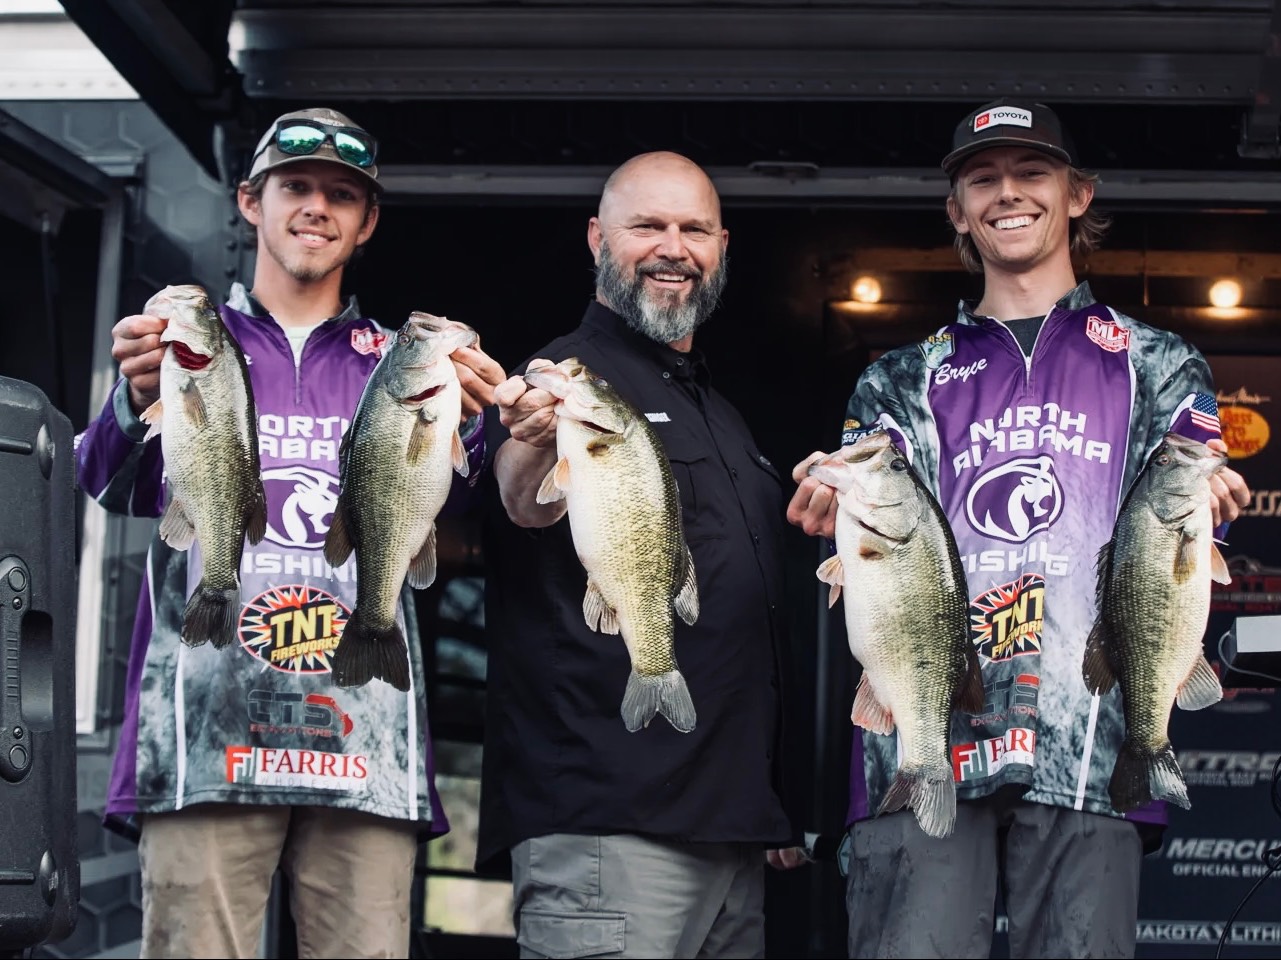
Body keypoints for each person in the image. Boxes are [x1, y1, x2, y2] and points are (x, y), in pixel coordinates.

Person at [787, 99, 1252, 959]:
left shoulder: (1159, 363)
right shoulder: (896, 380)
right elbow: (863, 526)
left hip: (1093, 735)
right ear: (956, 210)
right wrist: (829, 495)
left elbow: (1187, 512)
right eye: (981, 178)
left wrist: (1209, 498)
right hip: (923, 740)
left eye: (1031, 172)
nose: (1008, 193)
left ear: (1077, 194)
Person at [75, 107, 506, 958]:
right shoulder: (184, 342)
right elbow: (104, 483)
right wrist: (131, 401)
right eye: (295, 186)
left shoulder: (400, 361)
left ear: (367, 221)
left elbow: (462, 515)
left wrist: (488, 423)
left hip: (364, 740)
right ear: (249, 201)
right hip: (203, 735)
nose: (316, 206)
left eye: (341, 194)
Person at [477, 150, 801, 959]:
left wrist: (772, 806)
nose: (672, 246)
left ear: (721, 246)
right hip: (607, 826)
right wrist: (528, 440)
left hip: (731, 835)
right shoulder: (558, 383)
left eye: (694, 229)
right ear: (597, 239)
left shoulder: (722, 414)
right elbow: (519, 499)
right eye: (646, 225)